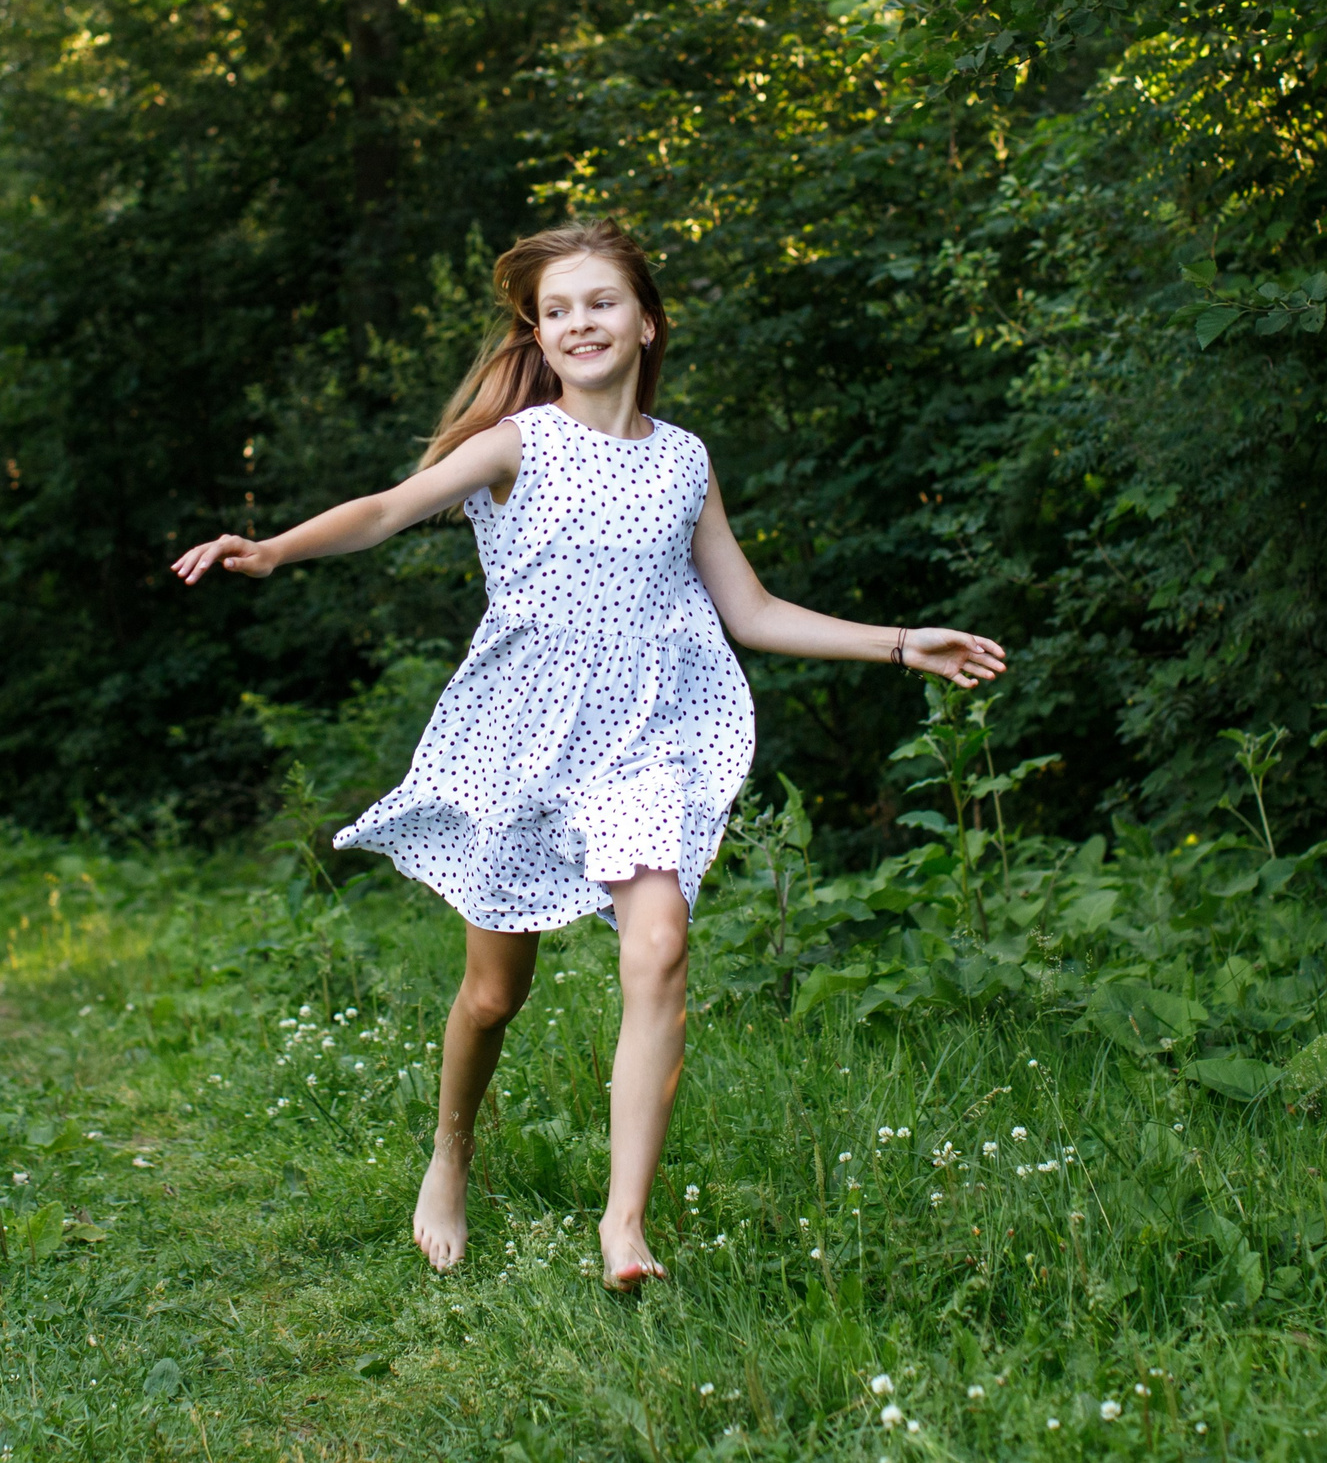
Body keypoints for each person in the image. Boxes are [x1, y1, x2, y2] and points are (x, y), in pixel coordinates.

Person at [172, 219, 1005, 1287]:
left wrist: (900, 644)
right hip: (521, 739)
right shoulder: (517, 443)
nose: (578, 323)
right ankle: (450, 1152)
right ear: (539, 332)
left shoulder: (683, 461)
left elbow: (747, 610)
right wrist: (275, 548)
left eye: (600, 303)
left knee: (658, 947)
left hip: (649, 738)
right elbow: (387, 509)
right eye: (556, 310)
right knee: (491, 995)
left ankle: (623, 1227)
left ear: (645, 322)